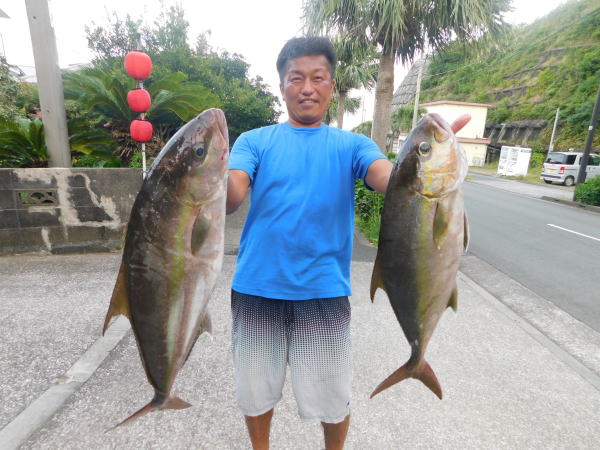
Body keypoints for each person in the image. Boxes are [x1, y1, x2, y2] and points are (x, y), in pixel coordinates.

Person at [226, 36, 469, 450]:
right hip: (256, 287)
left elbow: (387, 179)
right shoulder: (254, 141)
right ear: (282, 86)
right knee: (255, 393)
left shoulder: (352, 145)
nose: (307, 87)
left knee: (332, 399)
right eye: (296, 78)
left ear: (332, 85)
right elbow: (232, 195)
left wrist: (428, 163)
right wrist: (205, 178)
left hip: (323, 291)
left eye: (318, 78)